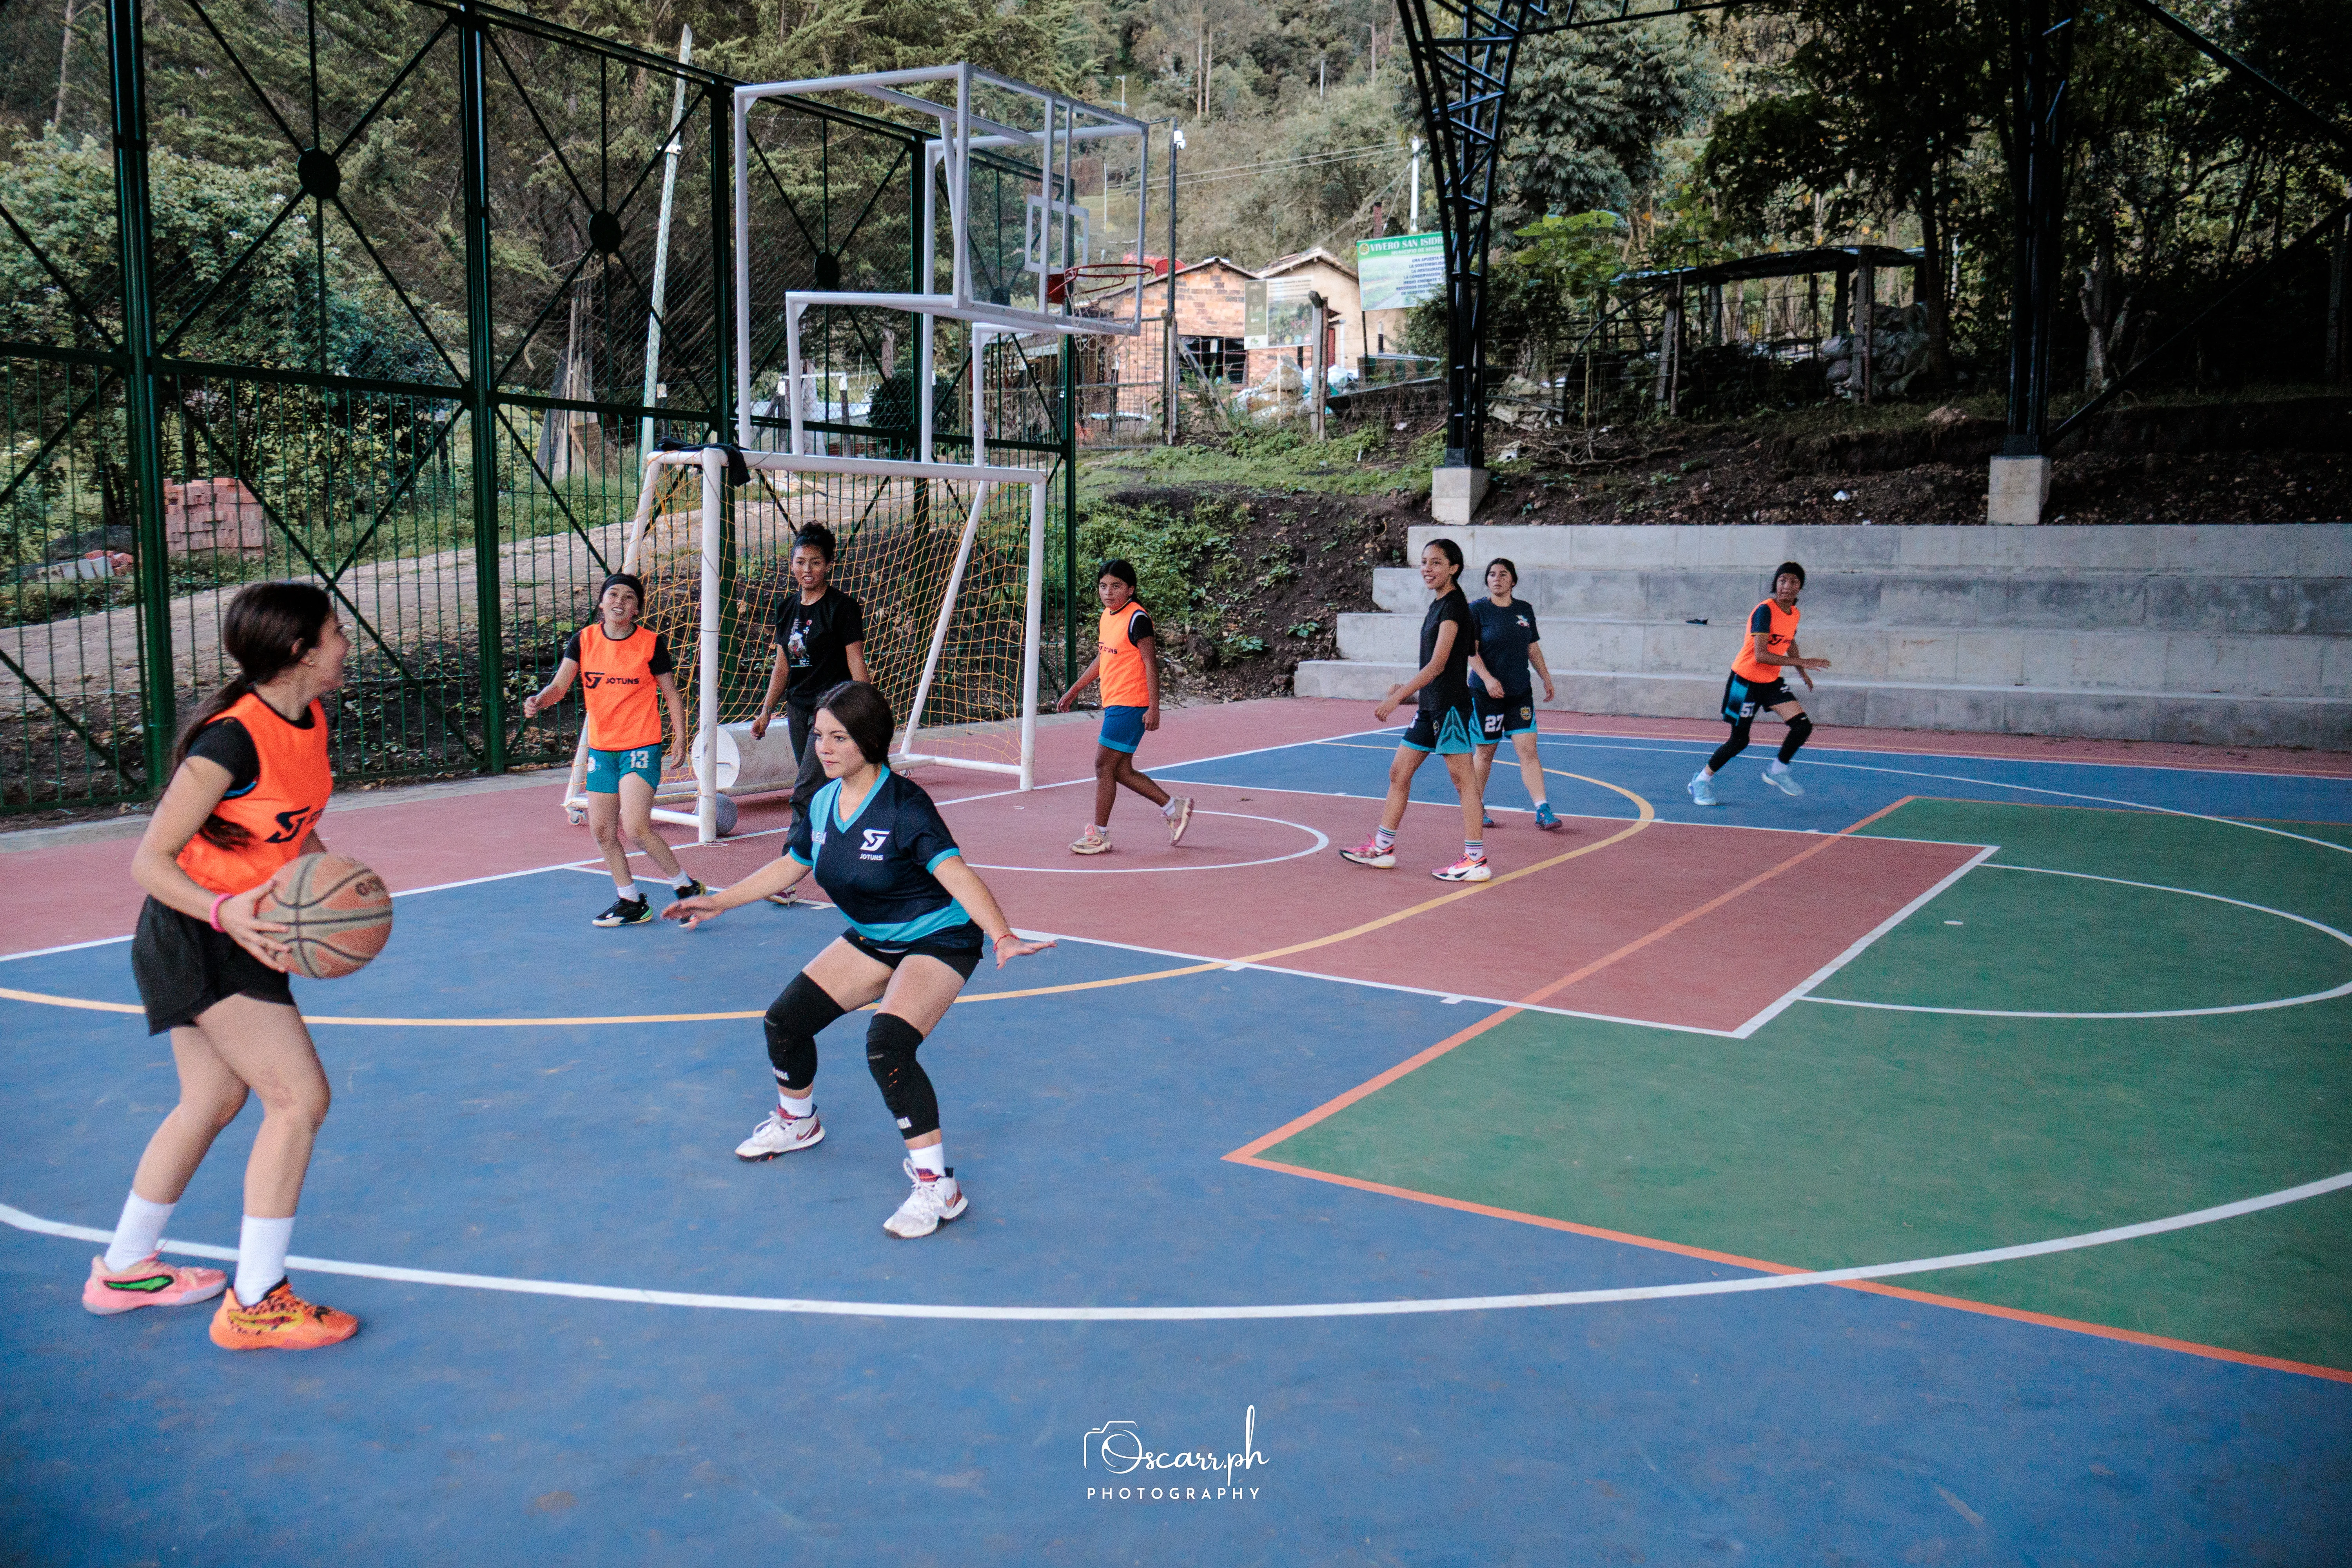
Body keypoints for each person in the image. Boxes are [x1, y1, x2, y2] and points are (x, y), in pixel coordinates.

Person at [665, 681, 1055, 1238]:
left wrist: (1002, 935)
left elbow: (958, 875)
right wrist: (720, 901)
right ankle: (798, 1121)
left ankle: (938, 1188)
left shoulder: (905, 806)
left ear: (869, 740)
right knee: (785, 1022)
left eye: (838, 738)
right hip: (874, 937)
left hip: (938, 939)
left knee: (888, 1045)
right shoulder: (824, 801)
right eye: (819, 736)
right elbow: (793, 864)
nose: (823, 748)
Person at [92, 581, 359, 1349]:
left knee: (210, 1099)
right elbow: (149, 862)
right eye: (336, 631)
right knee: (298, 1100)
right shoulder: (231, 741)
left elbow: (290, 827)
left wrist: (327, 887)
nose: (346, 642)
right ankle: (256, 1302)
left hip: (239, 929)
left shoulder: (308, 717)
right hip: (199, 933)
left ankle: (124, 1266)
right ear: (302, 651)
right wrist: (224, 912)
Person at [523, 573, 703, 926]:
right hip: (602, 750)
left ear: (637, 609)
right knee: (602, 831)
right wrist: (540, 700)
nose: (620, 601)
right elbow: (559, 687)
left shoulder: (650, 643)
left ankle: (686, 887)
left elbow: (671, 694)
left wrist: (681, 738)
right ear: (602, 603)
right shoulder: (584, 641)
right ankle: (630, 900)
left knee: (636, 828)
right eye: (613, 594)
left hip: (640, 745)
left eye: (629, 597)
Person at [1339, 538, 1491, 882]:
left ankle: (1475, 860)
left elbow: (1439, 665)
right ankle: (1383, 848)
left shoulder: (1454, 607)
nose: (1427, 568)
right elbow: (1448, 663)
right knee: (1399, 773)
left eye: (1436, 562)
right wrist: (1410, 696)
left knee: (1464, 782)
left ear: (1453, 568)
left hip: (1451, 711)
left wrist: (1398, 698)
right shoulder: (1438, 604)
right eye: (1424, 562)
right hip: (1430, 708)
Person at [751, 523, 870, 904]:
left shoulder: (842, 608)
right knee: (827, 792)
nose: (807, 569)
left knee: (805, 791)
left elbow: (856, 661)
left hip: (832, 714)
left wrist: (866, 710)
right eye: (801, 561)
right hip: (798, 710)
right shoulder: (786, 608)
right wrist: (766, 711)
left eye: (815, 562)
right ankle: (853, 863)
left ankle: (783, 877)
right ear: (792, 564)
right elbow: (782, 666)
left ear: (828, 565)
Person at [1053, 558, 1193, 855]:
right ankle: (1174, 808)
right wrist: (1075, 689)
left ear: (1130, 589)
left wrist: (1154, 708)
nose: (1108, 592)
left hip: (1131, 703)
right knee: (1120, 770)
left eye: (1116, 586)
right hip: (1115, 701)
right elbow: (1103, 658)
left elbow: (1150, 664)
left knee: (1103, 766)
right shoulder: (1108, 615)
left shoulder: (1137, 619)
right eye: (1103, 586)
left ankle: (1099, 834)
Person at [1690, 561, 1831, 806]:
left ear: (1800, 587)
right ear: (1775, 583)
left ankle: (1777, 771)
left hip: (1770, 681)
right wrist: (1803, 662)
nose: (1787, 586)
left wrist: (1801, 671)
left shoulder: (1794, 613)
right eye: (1782, 580)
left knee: (1802, 727)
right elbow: (1761, 655)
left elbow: (1790, 641)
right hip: (1745, 681)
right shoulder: (1765, 611)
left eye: (1794, 581)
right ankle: (1700, 781)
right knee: (1739, 741)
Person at [1466, 557, 1561, 831]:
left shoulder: (1524, 610)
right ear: (1487, 580)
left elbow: (1533, 648)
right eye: (1492, 574)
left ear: (1513, 581)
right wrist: (1488, 679)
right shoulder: (1477, 610)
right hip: (1486, 694)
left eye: (1503, 574)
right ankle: (1476, 806)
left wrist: (1546, 678)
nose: (1497, 579)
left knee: (1528, 750)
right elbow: (1471, 651)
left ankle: (1543, 809)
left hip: (1519, 692)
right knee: (1486, 752)